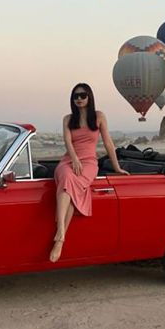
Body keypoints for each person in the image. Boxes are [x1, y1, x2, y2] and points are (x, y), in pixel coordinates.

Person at [50, 83, 128, 262]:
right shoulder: (68, 119)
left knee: (70, 187)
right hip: (69, 160)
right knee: (67, 177)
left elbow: (108, 143)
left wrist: (116, 167)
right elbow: (67, 142)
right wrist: (74, 159)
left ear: (89, 97)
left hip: (89, 163)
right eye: (75, 96)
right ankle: (61, 233)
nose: (79, 99)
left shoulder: (99, 116)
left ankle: (60, 236)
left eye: (82, 95)